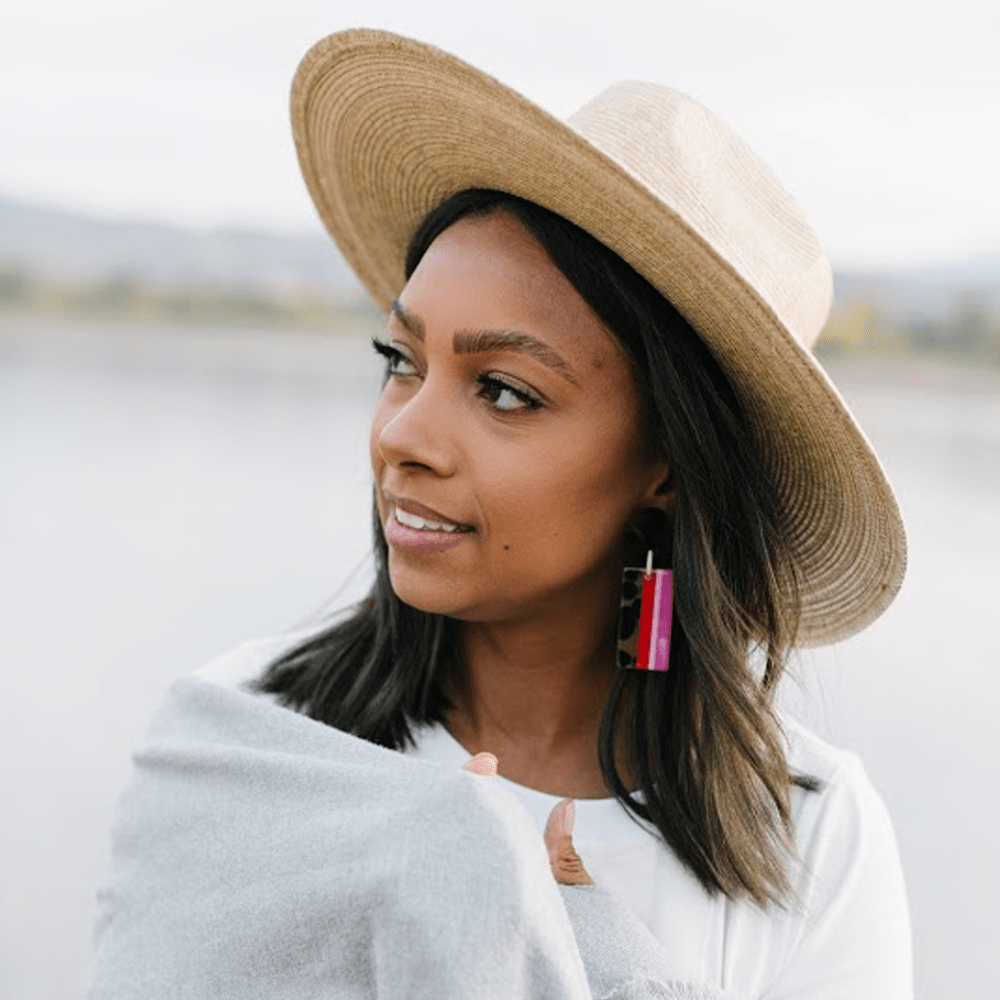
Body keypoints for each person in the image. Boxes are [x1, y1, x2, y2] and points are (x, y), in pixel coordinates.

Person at [87, 28, 912, 1000]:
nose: (404, 435)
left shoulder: (811, 836)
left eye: (506, 391)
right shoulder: (248, 731)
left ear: (669, 465)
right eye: (402, 360)